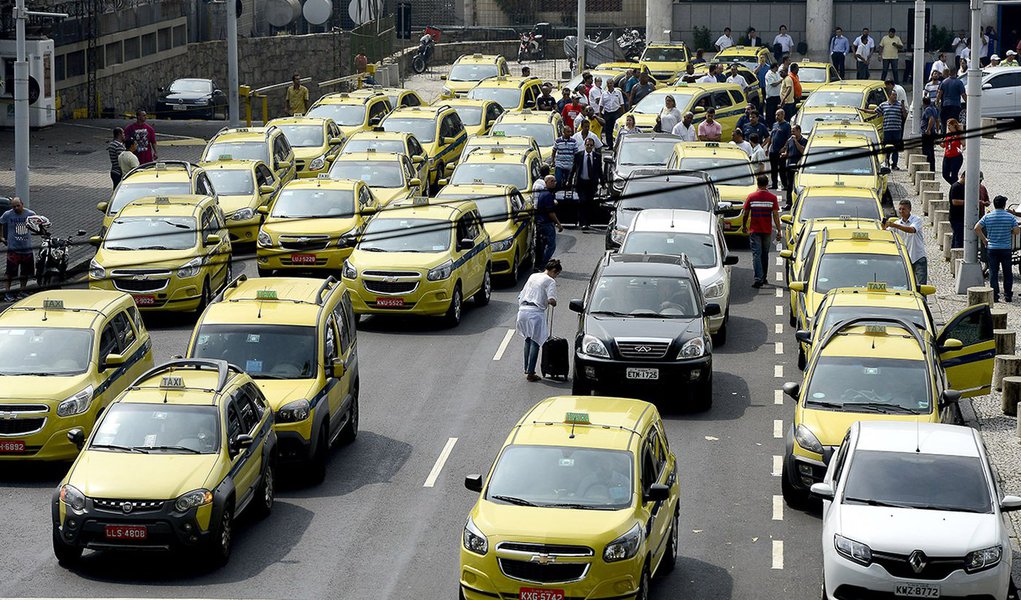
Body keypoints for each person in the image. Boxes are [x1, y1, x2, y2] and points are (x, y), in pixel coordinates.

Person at [516, 258, 563, 382]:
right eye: (557, 274)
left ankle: (526, 368)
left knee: (527, 339)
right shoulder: (550, 281)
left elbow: (521, 294)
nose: (556, 277)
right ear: (553, 270)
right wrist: (552, 302)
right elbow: (552, 299)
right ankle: (531, 373)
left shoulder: (533, 276)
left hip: (522, 311)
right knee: (535, 342)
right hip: (535, 313)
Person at [975, 196, 1020, 303]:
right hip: (1005, 248)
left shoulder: (988, 216)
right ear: (1004, 205)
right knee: (1007, 272)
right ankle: (1008, 295)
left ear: (994, 204)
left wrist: (984, 239)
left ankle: (995, 295)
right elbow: (1017, 231)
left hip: (992, 248)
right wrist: (1010, 231)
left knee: (993, 272)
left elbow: (977, 228)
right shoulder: (1010, 217)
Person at [742, 175, 782, 287]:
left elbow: (746, 213)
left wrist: (744, 226)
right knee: (765, 254)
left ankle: (758, 278)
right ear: (767, 183)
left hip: (755, 230)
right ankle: (763, 277)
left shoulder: (751, 197)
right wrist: (779, 230)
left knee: (757, 254)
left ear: (757, 183)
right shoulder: (772, 198)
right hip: (767, 230)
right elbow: (775, 215)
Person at [0, 197, 36, 302]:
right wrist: (1, 237)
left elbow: (38, 224)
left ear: (22, 204)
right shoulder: (8, 214)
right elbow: (0, 222)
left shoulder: (30, 214)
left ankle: (22, 291)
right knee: (10, 273)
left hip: (27, 249)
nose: (16, 208)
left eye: (18, 206)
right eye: (14, 206)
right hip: (13, 250)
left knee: (25, 272)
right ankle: (7, 293)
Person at [884, 200, 927, 285]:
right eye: (899, 209)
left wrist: (894, 225)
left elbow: (912, 230)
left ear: (909, 209)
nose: (901, 211)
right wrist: (883, 225)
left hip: (917, 257)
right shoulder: (897, 223)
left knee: (921, 286)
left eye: (903, 209)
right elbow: (886, 233)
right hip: (904, 258)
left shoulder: (916, 220)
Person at [533, 177, 564, 269]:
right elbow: (551, 213)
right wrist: (558, 224)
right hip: (546, 223)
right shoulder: (547, 195)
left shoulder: (543, 194)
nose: (554, 183)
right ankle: (544, 264)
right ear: (546, 182)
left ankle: (539, 264)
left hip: (541, 223)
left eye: (555, 181)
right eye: (552, 181)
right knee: (551, 246)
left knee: (542, 245)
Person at [572, 137, 602, 230]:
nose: (589, 147)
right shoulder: (579, 155)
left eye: (591, 145)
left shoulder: (597, 156)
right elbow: (574, 168)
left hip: (591, 184)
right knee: (582, 201)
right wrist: (569, 180)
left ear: (593, 146)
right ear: (584, 145)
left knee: (589, 202)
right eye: (587, 145)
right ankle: (582, 222)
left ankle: (587, 222)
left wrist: (603, 182)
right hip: (581, 183)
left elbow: (599, 170)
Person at [875, 90, 906, 170]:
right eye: (893, 95)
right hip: (887, 130)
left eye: (896, 95)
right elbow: (875, 111)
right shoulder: (884, 105)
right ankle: (886, 162)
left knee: (895, 148)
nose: (895, 97)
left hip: (897, 130)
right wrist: (863, 110)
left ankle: (894, 164)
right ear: (889, 96)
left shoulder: (899, 105)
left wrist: (903, 106)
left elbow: (904, 115)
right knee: (887, 147)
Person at [780, 124, 807, 209]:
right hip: (790, 165)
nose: (792, 133)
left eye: (794, 131)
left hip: (799, 167)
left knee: (797, 186)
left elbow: (803, 151)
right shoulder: (789, 140)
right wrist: (784, 154)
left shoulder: (804, 141)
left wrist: (796, 141)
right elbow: (787, 152)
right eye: (791, 131)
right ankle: (789, 203)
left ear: (799, 131)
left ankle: (797, 203)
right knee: (789, 185)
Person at [768, 108, 791, 190]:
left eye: (778, 115)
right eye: (776, 115)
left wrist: (784, 148)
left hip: (780, 151)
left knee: (782, 169)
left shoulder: (787, 125)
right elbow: (771, 136)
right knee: (773, 169)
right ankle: (774, 184)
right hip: (773, 150)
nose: (776, 117)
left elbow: (789, 138)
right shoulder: (774, 124)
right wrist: (768, 147)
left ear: (783, 115)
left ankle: (785, 185)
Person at [601, 78, 625, 148]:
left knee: (617, 129)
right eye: (608, 83)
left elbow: (622, 104)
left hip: (616, 112)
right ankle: (610, 145)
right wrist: (600, 114)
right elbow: (601, 105)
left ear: (613, 84)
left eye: (611, 83)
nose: (609, 85)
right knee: (608, 130)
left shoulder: (618, 93)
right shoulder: (604, 94)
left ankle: (617, 145)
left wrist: (623, 114)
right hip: (607, 113)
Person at [941, 118, 964, 185]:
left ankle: (955, 187)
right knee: (945, 175)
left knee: (954, 175)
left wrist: (962, 149)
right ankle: (956, 186)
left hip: (956, 157)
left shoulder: (959, 135)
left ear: (954, 125)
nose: (948, 127)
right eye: (947, 126)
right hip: (947, 156)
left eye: (949, 126)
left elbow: (964, 144)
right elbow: (943, 145)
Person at [920, 96, 939, 173]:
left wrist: (928, 130)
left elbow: (931, 119)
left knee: (926, 151)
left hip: (927, 133)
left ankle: (928, 167)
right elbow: (937, 120)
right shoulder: (934, 108)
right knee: (931, 150)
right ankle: (932, 168)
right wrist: (937, 130)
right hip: (932, 132)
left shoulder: (928, 109)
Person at [948, 170, 967, 248]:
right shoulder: (956, 186)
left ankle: (953, 252)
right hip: (956, 217)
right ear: (963, 176)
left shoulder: (964, 187)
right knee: (959, 238)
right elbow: (954, 201)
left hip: (962, 217)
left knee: (957, 236)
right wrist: (968, 202)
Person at [764, 62, 782, 127]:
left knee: (776, 111)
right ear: (775, 67)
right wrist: (780, 81)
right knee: (770, 112)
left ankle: (776, 124)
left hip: (777, 95)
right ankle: (769, 125)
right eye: (777, 67)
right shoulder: (769, 74)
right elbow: (773, 84)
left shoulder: (777, 73)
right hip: (771, 96)